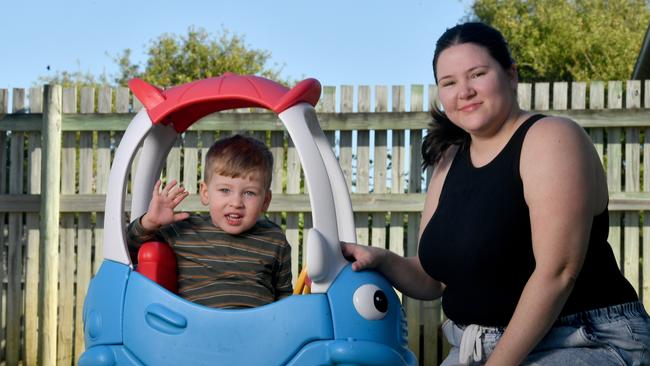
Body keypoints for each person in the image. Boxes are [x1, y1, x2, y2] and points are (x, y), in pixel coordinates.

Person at [342, 22, 650, 365]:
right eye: (449, 83)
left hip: (584, 339)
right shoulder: (448, 160)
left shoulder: (551, 139)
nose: (464, 91)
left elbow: (558, 271)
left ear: (511, 74)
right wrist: (382, 260)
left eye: (477, 74)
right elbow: (434, 280)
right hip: (474, 346)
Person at [127, 134, 293, 309]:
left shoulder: (274, 239)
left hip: (258, 332)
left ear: (265, 201)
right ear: (205, 193)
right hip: (195, 331)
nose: (236, 203)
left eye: (249, 193)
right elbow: (127, 251)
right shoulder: (185, 229)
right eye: (225, 190)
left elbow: (284, 298)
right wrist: (149, 222)